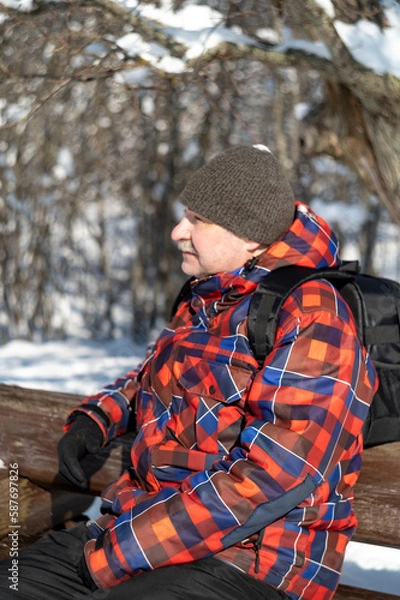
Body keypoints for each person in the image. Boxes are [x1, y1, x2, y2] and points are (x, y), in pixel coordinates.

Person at [0, 145, 377, 600]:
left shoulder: (315, 316)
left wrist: (118, 552)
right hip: (142, 531)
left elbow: (272, 478)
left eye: (198, 220)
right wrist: (96, 419)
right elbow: (155, 375)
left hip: (252, 564)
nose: (179, 231)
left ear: (251, 238)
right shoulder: (209, 295)